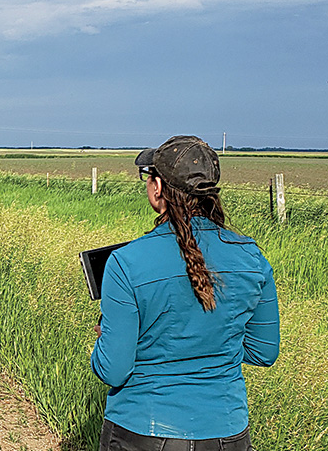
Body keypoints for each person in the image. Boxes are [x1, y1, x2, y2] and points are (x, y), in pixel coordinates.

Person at [90, 135, 279, 451]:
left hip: (143, 430)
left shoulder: (126, 263)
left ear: (159, 188)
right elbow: (263, 351)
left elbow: (113, 369)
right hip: (227, 432)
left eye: (149, 176)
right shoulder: (252, 258)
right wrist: (213, 343)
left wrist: (107, 343)